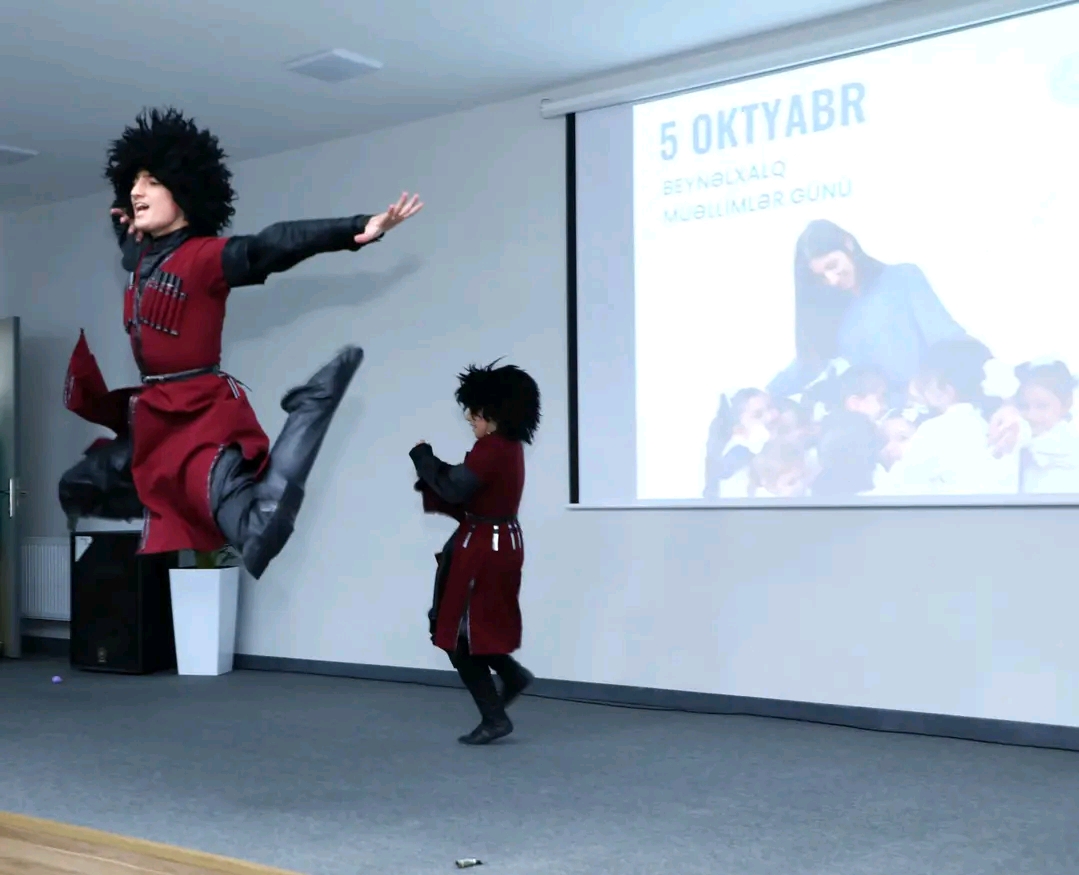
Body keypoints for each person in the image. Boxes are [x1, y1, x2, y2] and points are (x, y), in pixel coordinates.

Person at [58, 107, 423, 579]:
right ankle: (173, 502)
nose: (137, 191)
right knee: (78, 488)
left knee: (260, 533)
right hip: (154, 419)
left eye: (152, 181)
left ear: (184, 192)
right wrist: (126, 228)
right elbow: (133, 253)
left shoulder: (205, 258)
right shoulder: (142, 257)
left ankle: (311, 405)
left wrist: (357, 228)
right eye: (134, 182)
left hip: (199, 423)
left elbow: (274, 244)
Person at [768, 219, 1024, 458]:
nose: (832, 279)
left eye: (832, 265)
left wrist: (1005, 397)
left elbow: (949, 339)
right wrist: (765, 397)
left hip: (940, 406)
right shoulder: (834, 316)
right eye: (821, 276)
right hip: (890, 430)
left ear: (849, 245)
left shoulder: (901, 278)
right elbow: (808, 363)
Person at [409, 361, 541, 745]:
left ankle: (495, 716)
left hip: (484, 548)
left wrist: (423, 457)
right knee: (470, 628)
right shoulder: (505, 448)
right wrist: (433, 468)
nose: (470, 418)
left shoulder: (492, 449)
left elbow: (454, 488)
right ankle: (511, 676)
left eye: (476, 412)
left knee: (456, 635)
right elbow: (465, 485)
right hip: (493, 543)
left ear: (494, 413)